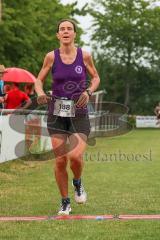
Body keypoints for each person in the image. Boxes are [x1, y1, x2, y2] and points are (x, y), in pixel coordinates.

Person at [35, 19, 100, 215]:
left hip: (79, 112)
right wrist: (39, 92)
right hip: (56, 111)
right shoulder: (51, 57)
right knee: (61, 159)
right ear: (57, 35)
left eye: (69, 29)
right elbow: (39, 79)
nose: (65, 31)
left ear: (74, 34)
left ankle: (78, 182)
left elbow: (96, 77)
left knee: (75, 156)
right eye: (62, 29)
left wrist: (88, 91)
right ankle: (65, 201)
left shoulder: (85, 56)